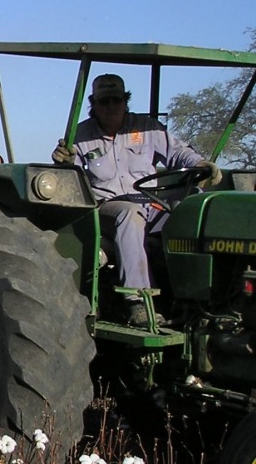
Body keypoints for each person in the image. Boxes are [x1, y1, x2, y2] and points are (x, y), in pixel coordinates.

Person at [51, 74, 221, 327]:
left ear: (125, 101)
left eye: (116, 100)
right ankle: (138, 302)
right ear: (93, 104)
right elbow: (67, 177)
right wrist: (62, 162)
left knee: (192, 207)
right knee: (129, 214)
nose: (111, 107)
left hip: (149, 203)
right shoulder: (80, 135)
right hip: (107, 208)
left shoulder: (147, 128)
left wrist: (199, 165)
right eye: (104, 101)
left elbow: (178, 152)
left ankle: (203, 297)